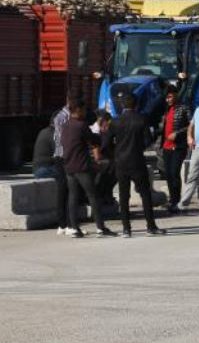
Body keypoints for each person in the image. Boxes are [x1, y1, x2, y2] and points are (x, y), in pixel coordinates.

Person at [101, 93, 166, 236]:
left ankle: (126, 229)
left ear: (122, 105)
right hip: (137, 160)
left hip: (121, 162)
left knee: (124, 196)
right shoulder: (141, 119)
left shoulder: (116, 122)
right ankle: (151, 226)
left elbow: (105, 144)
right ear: (136, 104)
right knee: (145, 194)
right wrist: (138, 147)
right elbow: (148, 140)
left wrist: (115, 155)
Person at [60, 98, 111, 238]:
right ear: (77, 110)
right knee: (93, 195)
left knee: (73, 196)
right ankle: (100, 227)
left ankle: (74, 228)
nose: (85, 112)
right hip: (82, 166)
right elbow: (94, 140)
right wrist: (103, 133)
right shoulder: (81, 125)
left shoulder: (65, 125)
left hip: (69, 166)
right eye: (83, 109)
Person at [32, 119, 70, 236]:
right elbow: (60, 155)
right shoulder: (54, 134)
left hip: (40, 168)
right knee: (68, 181)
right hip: (45, 169)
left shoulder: (44, 131)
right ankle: (66, 220)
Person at [160, 86, 191, 215]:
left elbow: (191, 124)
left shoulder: (184, 108)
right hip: (166, 146)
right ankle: (172, 200)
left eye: (171, 97)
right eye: (167, 97)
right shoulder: (165, 110)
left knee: (174, 173)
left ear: (176, 95)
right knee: (167, 174)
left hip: (178, 146)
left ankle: (176, 201)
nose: (168, 99)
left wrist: (177, 134)